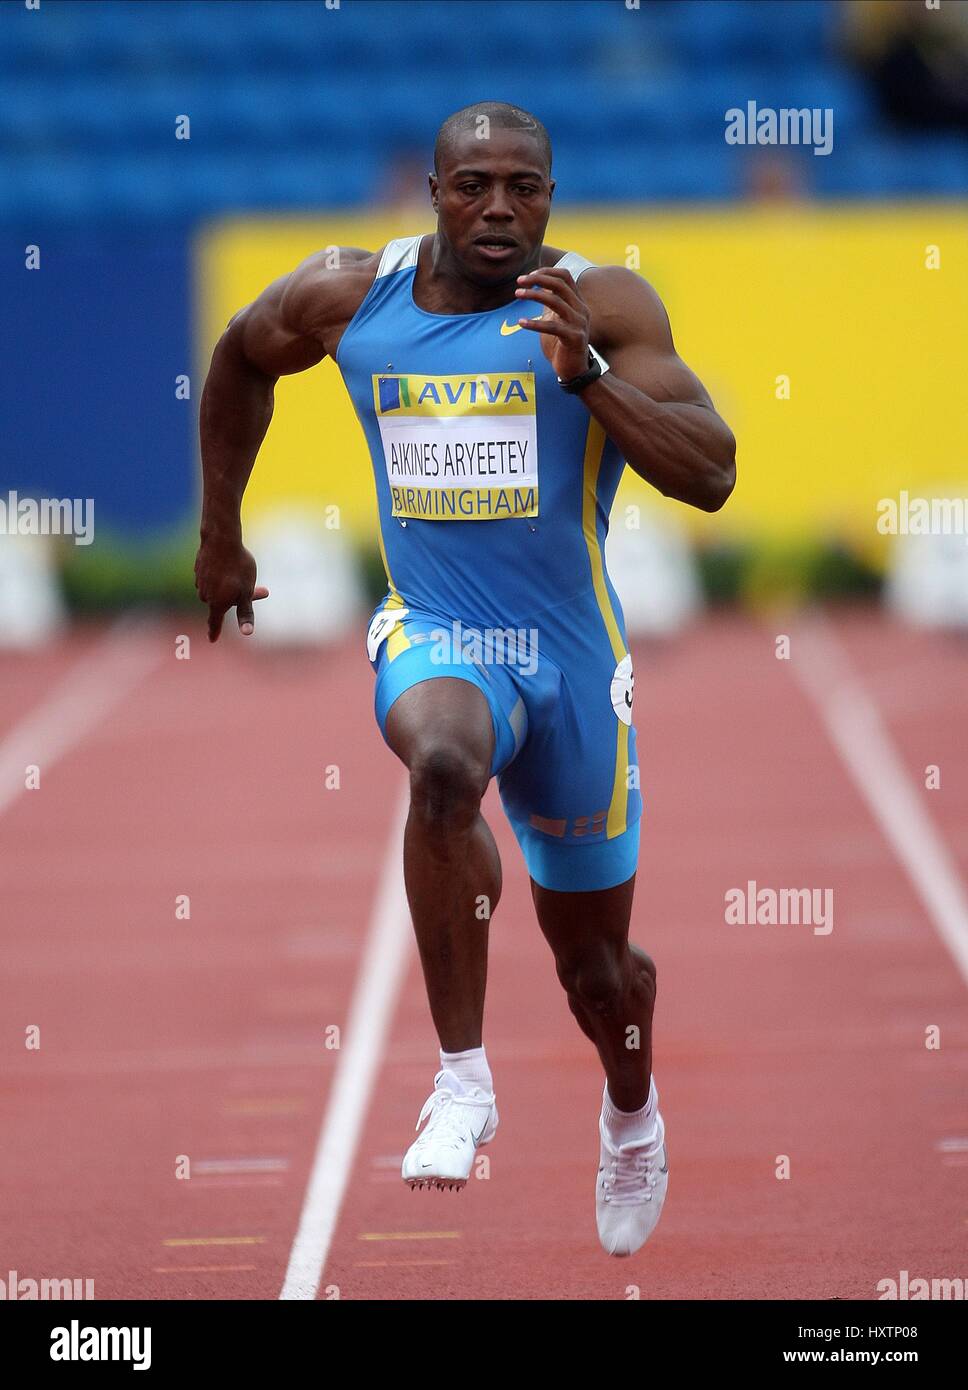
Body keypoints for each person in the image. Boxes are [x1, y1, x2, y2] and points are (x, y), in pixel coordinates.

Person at [195, 101, 736, 1257]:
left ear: (551, 194)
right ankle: (460, 1078)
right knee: (439, 765)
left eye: (524, 188)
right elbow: (242, 354)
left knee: (599, 972)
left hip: (574, 662)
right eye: (473, 185)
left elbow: (711, 476)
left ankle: (630, 1117)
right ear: (430, 191)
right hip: (438, 629)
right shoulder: (352, 297)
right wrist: (220, 534)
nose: (499, 208)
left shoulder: (605, 303)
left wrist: (585, 373)